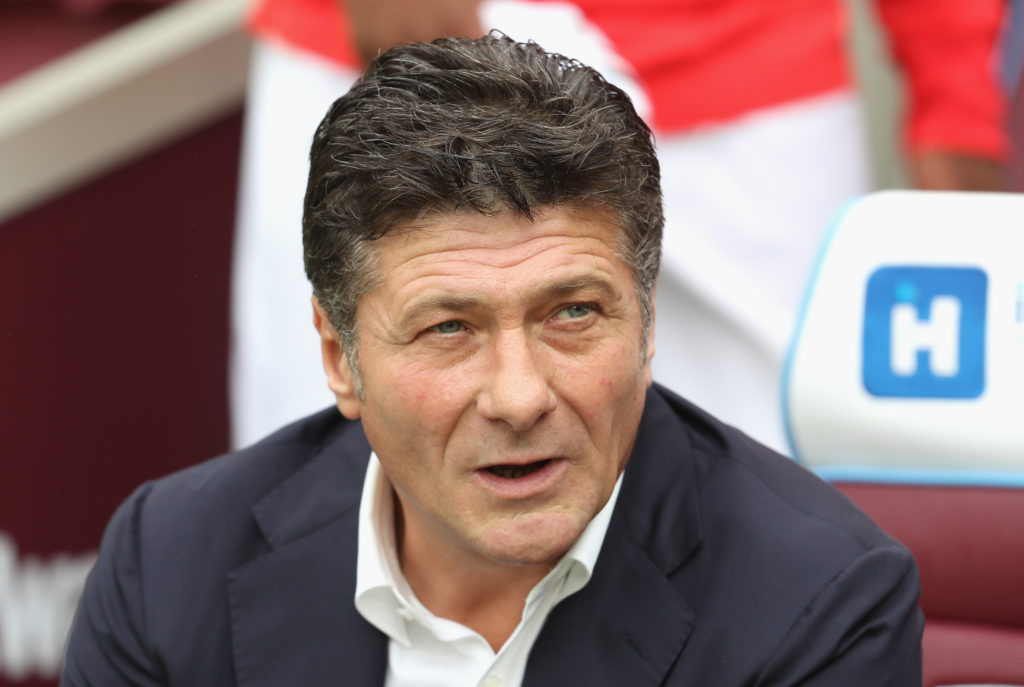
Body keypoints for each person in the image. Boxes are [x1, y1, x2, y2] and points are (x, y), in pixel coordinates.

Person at [63, 35, 923, 686]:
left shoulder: (821, 605)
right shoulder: (169, 566)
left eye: (573, 313)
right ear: (338, 355)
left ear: (648, 322)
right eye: (449, 328)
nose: (519, 397)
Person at [231, 0, 1009, 455]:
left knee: (792, 513)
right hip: (386, 43)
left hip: (749, 77)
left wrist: (957, 86)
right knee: (343, 504)